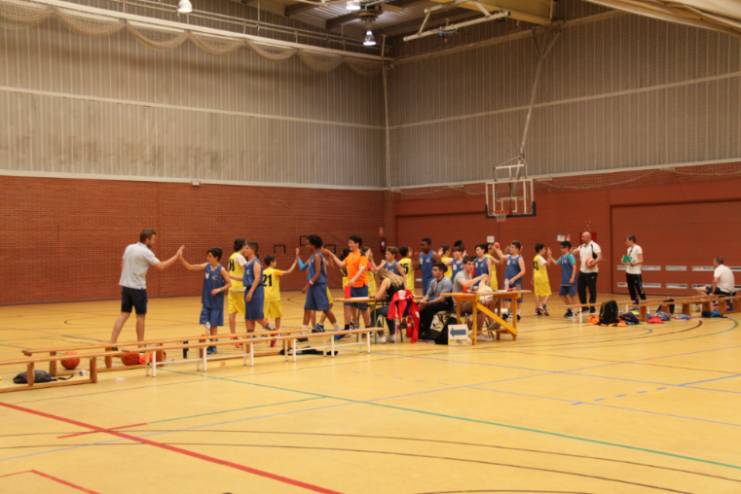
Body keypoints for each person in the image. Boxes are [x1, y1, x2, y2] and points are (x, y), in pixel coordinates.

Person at [110, 229, 183, 344]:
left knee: (124, 314)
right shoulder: (146, 252)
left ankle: (112, 342)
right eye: (153, 239)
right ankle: (141, 346)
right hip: (138, 288)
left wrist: (128, 277)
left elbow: (122, 264)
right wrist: (176, 256)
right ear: (147, 239)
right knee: (140, 316)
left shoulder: (129, 247)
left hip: (125, 286)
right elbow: (161, 267)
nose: (154, 242)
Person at [180, 248, 231, 354]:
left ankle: (213, 346)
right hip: (207, 300)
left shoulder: (221, 270)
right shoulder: (206, 266)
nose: (207, 258)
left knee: (213, 325)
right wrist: (181, 258)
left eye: (210, 256)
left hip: (216, 302)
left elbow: (229, 283)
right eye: (207, 256)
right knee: (204, 321)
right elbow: (190, 267)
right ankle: (211, 337)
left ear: (216, 258)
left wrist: (219, 289)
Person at [324, 235, 370, 330]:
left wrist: (354, 279)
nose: (349, 244)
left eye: (351, 243)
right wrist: (332, 255)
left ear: (357, 244)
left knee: (363, 308)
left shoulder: (362, 255)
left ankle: (368, 328)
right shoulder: (350, 255)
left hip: (361, 286)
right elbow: (341, 264)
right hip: (349, 286)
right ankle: (347, 327)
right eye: (349, 243)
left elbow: (361, 269)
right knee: (346, 305)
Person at [302, 235, 340, 332]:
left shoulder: (318, 256)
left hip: (318, 285)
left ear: (313, 245)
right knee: (307, 308)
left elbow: (318, 273)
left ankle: (338, 329)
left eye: (308, 244)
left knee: (325, 309)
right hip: (313, 285)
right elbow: (304, 268)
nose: (307, 246)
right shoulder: (313, 256)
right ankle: (303, 334)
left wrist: (307, 285)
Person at [236, 241, 273, 333]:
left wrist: (251, 291)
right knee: (249, 317)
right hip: (248, 290)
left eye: (247, 248)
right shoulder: (248, 264)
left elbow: (257, 278)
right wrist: (230, 276)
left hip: (255, 291)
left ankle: (275, 332)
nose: (244, 250)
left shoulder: (256, 262)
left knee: (258, 317)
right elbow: (246, 278)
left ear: (252, 250)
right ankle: (250, 339)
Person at [452, 256, 491, 332]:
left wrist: (477, 289)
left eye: (473, 264)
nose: (471, 266)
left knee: (489, 302)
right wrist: (480, 277)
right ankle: (475, 328)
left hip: (467, 302)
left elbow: (468, 289)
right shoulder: (460, 274)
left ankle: (486, 326)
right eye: (469, 264)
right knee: (482, 303)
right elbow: (466, 284)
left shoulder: (469, 275)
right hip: (459, 305)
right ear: (464, 265)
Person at [262, 254, 297, 337]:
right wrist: (295, 261)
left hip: (264, 296)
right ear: (271, 262)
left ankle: (265, 332)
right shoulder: (275, 271)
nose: (276, 263)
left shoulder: (263, 272)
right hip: (274, 297)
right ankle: (277, 331)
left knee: (264, 316)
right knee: (277, 315)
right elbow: (289, 271)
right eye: (275, 261)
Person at [370, 268, 406, 343]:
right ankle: (393, 335)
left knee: (373, 313)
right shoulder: (400, 279)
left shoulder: (386, 280)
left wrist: (375, 294)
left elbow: (378, 297)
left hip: (394, 308)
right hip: (403, 308)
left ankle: (381, 336)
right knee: (388, 312)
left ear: (380, 277)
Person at [418, 263, 453, 339]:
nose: (432, 271)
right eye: (432, 270)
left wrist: (428, 303)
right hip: (435, 303)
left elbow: (442, 298)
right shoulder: (433, 281)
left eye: (435, 270)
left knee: (428, 308)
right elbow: (428, 295)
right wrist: (422, 301)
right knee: (419, 307)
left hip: (445, 304)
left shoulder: (447, 281)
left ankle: (429, 331)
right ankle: (420, 331)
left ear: (441, 271)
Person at [497, 241, 526, 321]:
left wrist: (514, 278)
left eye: (512, 247)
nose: (510, 248)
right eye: (510, 247)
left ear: (517, 249)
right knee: (506, 297)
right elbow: (501, 256)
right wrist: (497, 249)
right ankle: (506, 313)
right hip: (507, 281)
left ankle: (518, 313)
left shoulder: (519, 258)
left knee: (518, 298)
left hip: (516, 282)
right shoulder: (508, 257)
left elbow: (523, 271)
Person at [574, 231, 602, 314]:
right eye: (582, 236)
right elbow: (574, 251)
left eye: (583, 237)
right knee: (580, 289)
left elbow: (599, 257)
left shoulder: (594, 246)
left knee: (592, 290)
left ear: (588, 237)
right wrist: (571, 250)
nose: (581, 238)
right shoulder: (581, 246)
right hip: (582, 271)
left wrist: (593, 262)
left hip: (592, 272)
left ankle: (592, 308)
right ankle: (584, 308)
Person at [226, 238, 247, 340]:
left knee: (232, 312)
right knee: (248, 312)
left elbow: (228, 271)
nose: (247, 248)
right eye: (246, 246)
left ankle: (233, 334)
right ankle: (250, 334)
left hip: (231, 287)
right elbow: (248, 270)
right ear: (242, 246)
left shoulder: (231, 256)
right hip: (240, 288)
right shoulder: (240, 257)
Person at [549, 241, 577, 318]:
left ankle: (575, 310)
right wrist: (550, 256)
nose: (560, 249)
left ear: (567, 248)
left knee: (572, 295)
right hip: (564, 280)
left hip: (570, 279)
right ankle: (569, 309)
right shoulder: (562, 257)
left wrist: (572, 277)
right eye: (560, 248)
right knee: (562, 294)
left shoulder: (570, 256)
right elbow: (556, 263)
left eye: (562, 248)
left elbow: (574, 267)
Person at [624, 235, 646, 308]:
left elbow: (641, 260)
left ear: (632, 240)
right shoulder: (628, 249)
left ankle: (644, 303)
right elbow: (627, 259)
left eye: (627, 241)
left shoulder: (638, 248)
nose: (626, 242)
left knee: (639, 289)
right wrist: (624, 260)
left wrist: (634, 264)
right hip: (628, 272)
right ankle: (634, 304)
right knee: (631, 289)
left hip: (636, 273)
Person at [532, 243, 552, 316]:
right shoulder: (540, 257)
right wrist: (549, 255)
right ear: (540, 250)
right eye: (544, 249)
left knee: (537, 294)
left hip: (536, 276)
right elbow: (548, 264)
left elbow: (534, 269)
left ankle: (537, 310)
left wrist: (532, 278)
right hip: (542, 277)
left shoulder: (535, 258)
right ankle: (543, 305)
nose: (545, 250)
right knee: (548, 293)